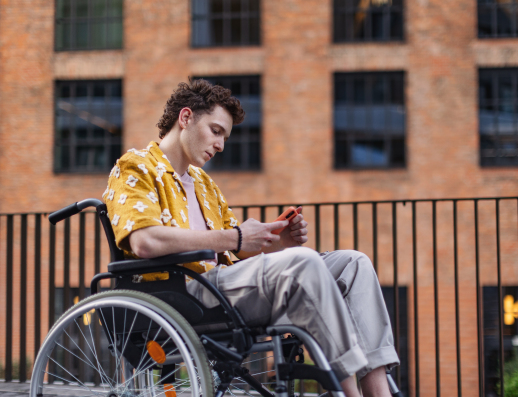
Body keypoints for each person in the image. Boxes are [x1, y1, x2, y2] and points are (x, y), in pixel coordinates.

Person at [103, 78, 399, 397]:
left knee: (354, 263)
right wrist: (236, 237)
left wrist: (280, 242)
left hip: (223, 286)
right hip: (182, 292)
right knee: (303, 263)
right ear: (185, 118)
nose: (221, 145)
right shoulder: (136, 166)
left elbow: (237, 249)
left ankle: (378, 391)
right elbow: (144, 242)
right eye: (216, 131)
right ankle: (348, 393)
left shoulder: (204, 184)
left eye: (225, 137)